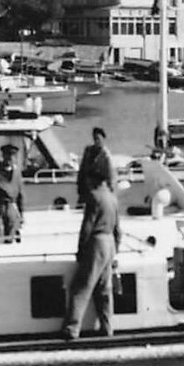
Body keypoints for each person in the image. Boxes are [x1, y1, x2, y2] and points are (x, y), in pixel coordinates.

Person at [62, 158, 122, 340]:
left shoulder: (94, 197)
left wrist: (81, 249)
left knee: (81, 287)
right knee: (104, 290)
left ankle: (72, 328)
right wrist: (115, 250)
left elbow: (87, 226)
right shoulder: (112, 198)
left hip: (97, 242)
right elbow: (118, 229)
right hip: (110, 242)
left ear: (93, 179)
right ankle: (107, 327)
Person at [0, 143, 24, 242]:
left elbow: (20, 195)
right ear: (3, 156)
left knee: (11, 236)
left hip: (12, 207)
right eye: (7, 155)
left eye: (12, 155)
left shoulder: (17, 173)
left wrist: (21, 214)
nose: (10, 158)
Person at [76, 126, 114, 204]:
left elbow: (110, 175)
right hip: (87, 187)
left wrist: (110, 189)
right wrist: (79, 184)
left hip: (99, 188)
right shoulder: (88, 150)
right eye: (95, 139)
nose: (97, 141)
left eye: (98, 139)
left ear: (103, 139)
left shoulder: (106, 155)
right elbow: (82, 169)